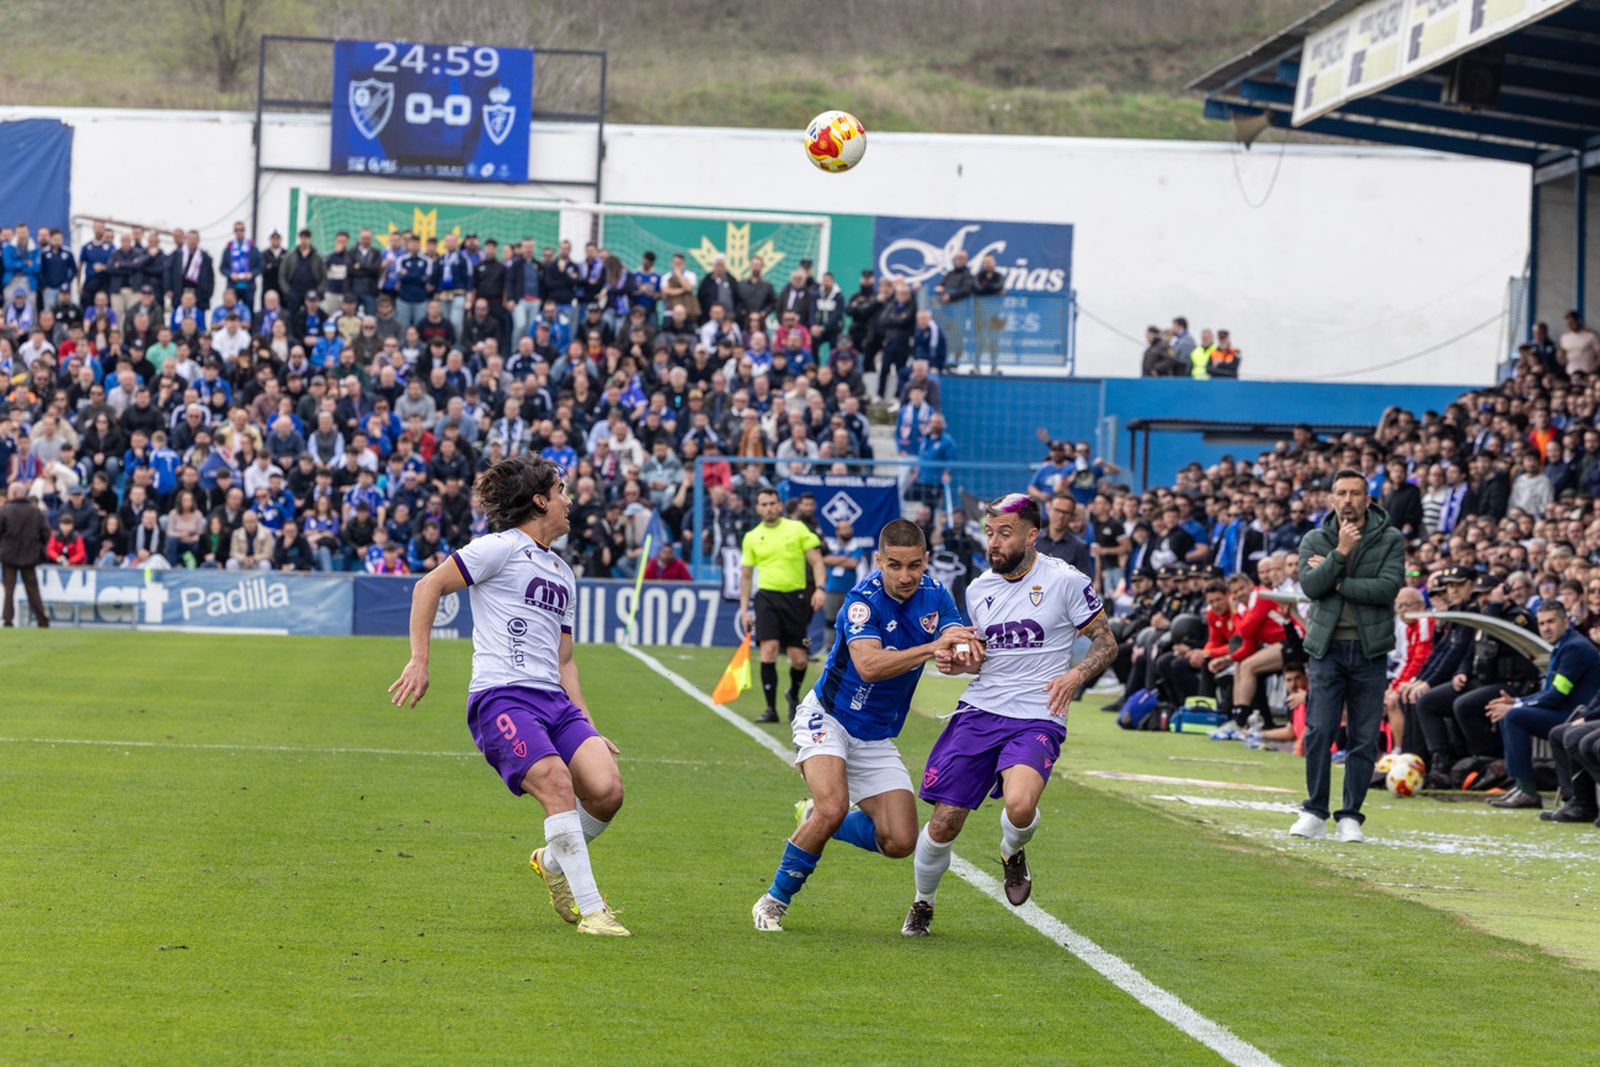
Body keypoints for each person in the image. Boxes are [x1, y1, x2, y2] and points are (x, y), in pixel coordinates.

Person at [388, 456, 629, 937]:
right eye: (561, 491)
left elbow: (565, 661)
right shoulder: (498, 548)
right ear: (539, 500)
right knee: (558, 784)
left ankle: (552, 862)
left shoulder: (563, 572)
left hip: (555, 704)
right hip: (503, 698)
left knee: (606, 792)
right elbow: (428, 585)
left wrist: (589, 725)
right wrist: (420, 659)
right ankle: (594, 911)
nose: (568, 502)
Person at [903, 493, 1115, 936]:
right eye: (989, 533)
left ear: (1031, 535)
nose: (993, 542)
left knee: (1020, 805)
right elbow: (981, 658)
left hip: (1039, 711)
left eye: (1004, 533)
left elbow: (1105, 642)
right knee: (944, 824)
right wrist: (957, 661)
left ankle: (1012, 850)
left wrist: (1075, 676)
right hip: (981, 709)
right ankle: (923, 903)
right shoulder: (979, 589)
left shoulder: (1066, 581)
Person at [751, 519, 977, 932]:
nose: (905, 576)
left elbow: (958, 642)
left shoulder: (937, 594)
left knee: (900, 841)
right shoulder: (862, 601)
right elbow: (869, 666)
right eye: (895, 565)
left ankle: (816, 820)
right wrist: (931, 649)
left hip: (874, 737)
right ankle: (773, 900)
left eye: (914, 566)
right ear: (879, 561)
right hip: (828, 719)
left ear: (926, 561)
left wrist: (963, 654)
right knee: (833, 806)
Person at [1292, 468, 1404, 842]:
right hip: (1327, 649)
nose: (1348, 500)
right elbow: (1310, 586)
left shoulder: (1390, 539)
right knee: (1319, 729)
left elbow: (1387, 589)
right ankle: (1314, 810)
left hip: (1370, 650)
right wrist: (1339, 552)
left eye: (1355, 493)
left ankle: (1350, 815)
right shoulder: (1315, 538)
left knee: (1364, 736)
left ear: (1368, 499)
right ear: (1331, 498)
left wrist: (1335, 579)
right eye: (1341, 493)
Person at [1484, 600, 1600, 810]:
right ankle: (1520, 785)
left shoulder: (1575, 648)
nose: (1546, 628)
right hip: (1563, 712)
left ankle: (1528, 791)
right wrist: (1517, 702)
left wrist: (1517, 708)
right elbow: (1549, 693)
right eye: (1542, 623)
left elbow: (1556, 695)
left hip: (1575, 715)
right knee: (1510, 714)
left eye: (1551, 622)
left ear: (1565, 621)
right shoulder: (1563, 646)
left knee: (1514, 716)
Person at [739, 488, 826, 724]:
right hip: (766, 597)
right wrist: (744, 608)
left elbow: (817, 561)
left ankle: (793, 694)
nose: (768, 508)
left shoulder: (797, 529)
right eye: (763, 504)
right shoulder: (752, 537)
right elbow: (746, 575)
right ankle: (770, 709)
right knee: (769, 650)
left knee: (799, 658)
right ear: (758, 508)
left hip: (796, 598)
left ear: (780, 505)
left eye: (772, 503)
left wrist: (820, 588)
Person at [0, 483, 52, 626]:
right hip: (30, 556)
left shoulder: (5, 511)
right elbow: (46, 534)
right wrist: (38, 547)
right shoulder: (36, 512)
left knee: (9, 590)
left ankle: (8, 619)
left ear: (15, 494)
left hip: (8, 556)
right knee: (33, 590)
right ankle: (42, 620)